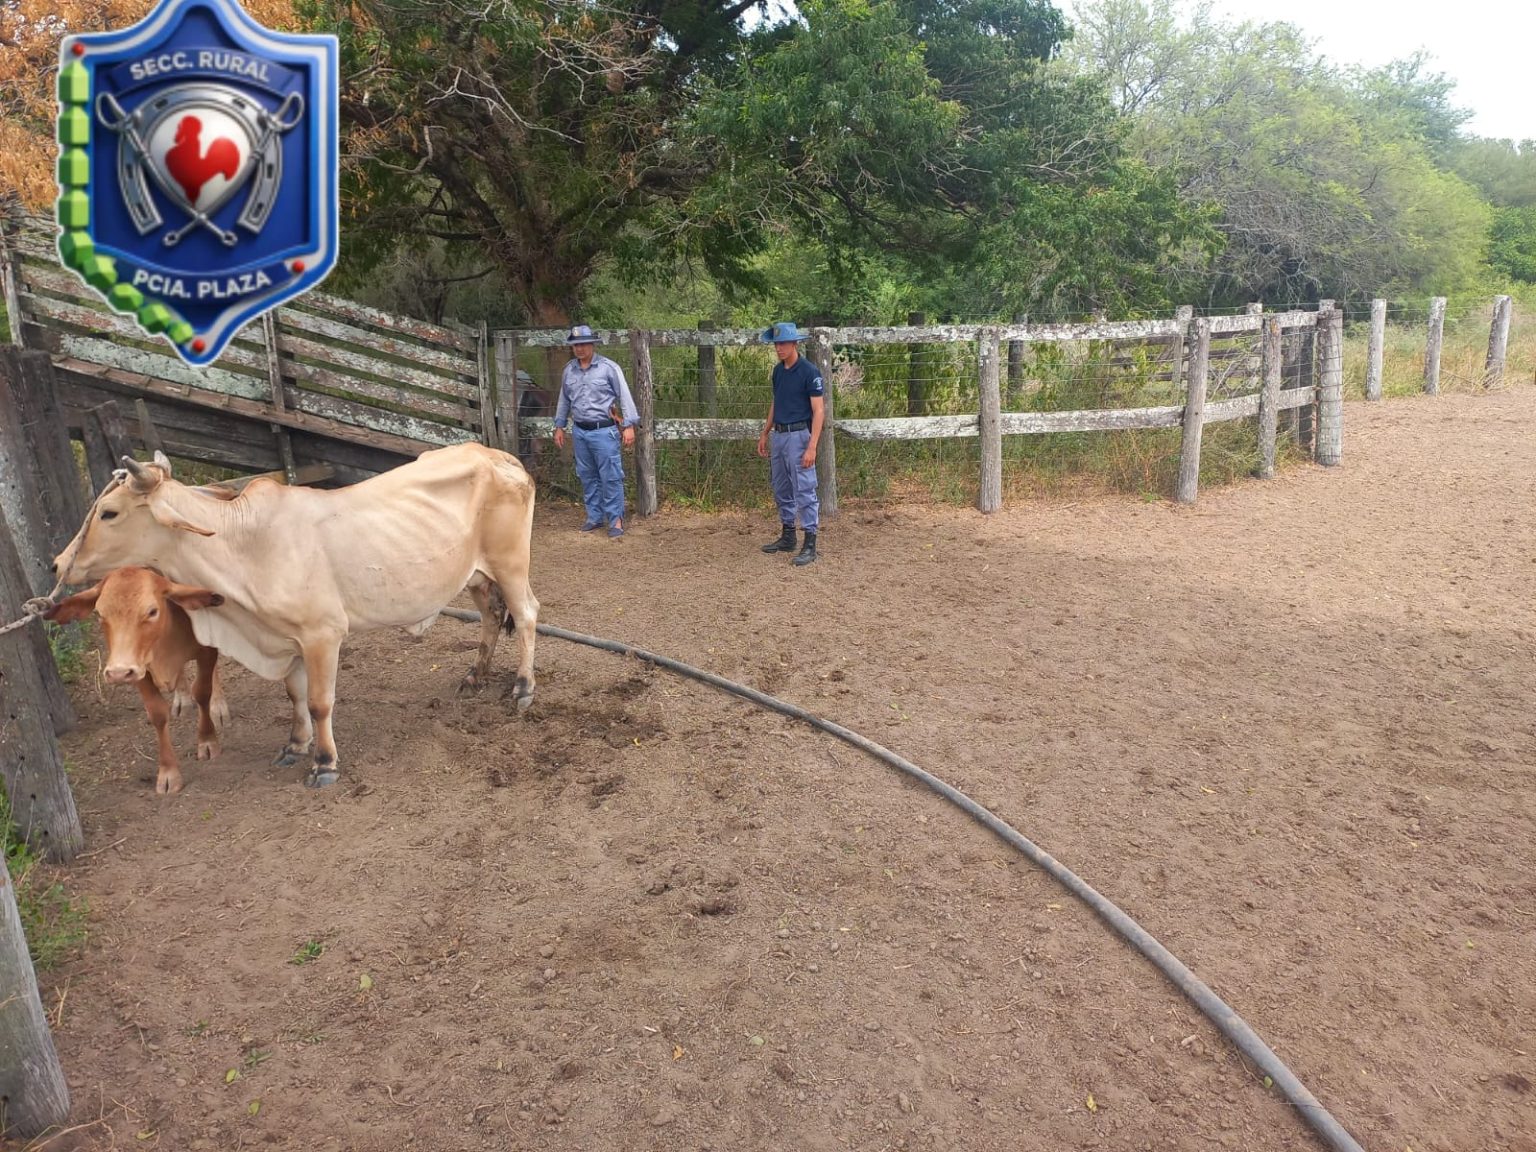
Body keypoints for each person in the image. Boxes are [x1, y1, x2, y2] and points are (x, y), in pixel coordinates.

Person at [552, 324, 639, 538]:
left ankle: (616, 519)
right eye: (576, 345)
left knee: (610, 476)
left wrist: (628, 425)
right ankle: (594, 517)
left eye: (583, 344)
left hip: (604, 430)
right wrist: (559, 426)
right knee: (587, 475)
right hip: (580, 431)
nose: (580, 349)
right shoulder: (569, 370)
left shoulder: (608, 368)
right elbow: (564, 399)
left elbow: (624, 396)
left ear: (592, 344)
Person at [756, 321, 825, 566]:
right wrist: (766, 431)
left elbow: (818, 411)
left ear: (795, 343)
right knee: (781, 486)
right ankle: (788, 535)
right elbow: (777, 401)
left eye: (783, 343)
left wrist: (812, 445)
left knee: (804, 488)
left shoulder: (809, 372)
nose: (779, 348)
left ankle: (810, 542)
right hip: (780, 434)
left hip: (798, 435)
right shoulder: (778, 372)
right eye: (776, 344)